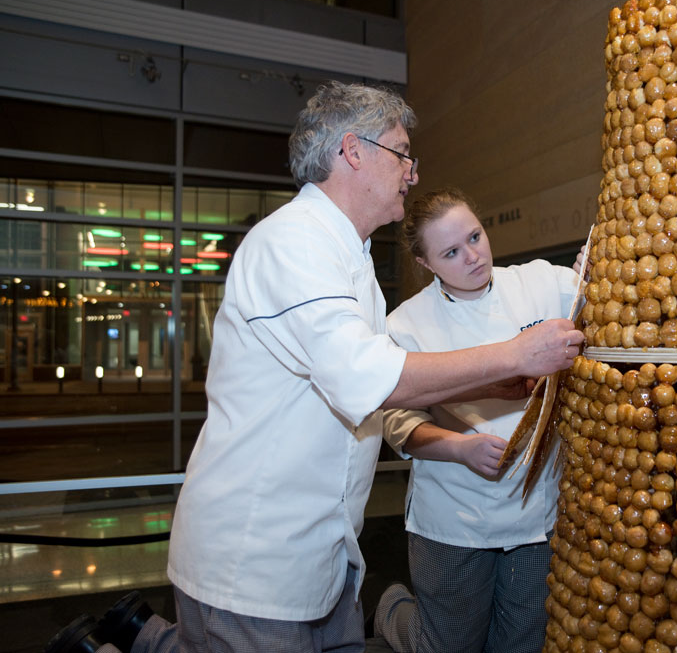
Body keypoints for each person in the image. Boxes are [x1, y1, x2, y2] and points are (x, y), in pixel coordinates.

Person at [44, 81, 583, 653]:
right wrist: (515, 355)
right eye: (402, 154)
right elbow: (368, 376)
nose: (413, 172)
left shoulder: (348, 257)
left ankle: (137, 636)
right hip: (258, 561)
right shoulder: (294, 243)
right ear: (354, 152)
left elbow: (375, 395)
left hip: (325, 561)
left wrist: (498, 379)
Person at [373, 188, 586, 653]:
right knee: (446, 646)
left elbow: (593, 284)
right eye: (451, 252)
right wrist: (458, 447)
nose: (473, 256)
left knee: (520, 644)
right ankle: (390, 608)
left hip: (534, 516)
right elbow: (396, 422)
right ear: (426, 263)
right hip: (454, 518)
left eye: (475, 236)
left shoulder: (538, 284)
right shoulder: (407, 325)